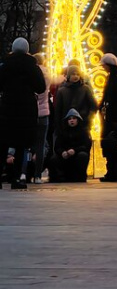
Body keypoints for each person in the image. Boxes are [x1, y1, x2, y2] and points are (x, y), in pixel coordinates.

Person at [0, 38, 46, 189]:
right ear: (27, 50)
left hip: (7, 108)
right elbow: (41, 87)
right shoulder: (32, 66)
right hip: (26, 110)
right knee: (21, 145)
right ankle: (17, 179)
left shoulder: (5, 65)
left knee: (3, 143)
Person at [49, 109, 92, 183]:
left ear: (78, 120)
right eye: (69, 119)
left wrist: (75, 150)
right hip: (65, 156)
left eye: (74, 118)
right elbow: (57, 146)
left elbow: (86, 146)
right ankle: (59, 177)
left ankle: (80, 177)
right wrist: (62, 152)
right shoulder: (63, 132)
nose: (72, 120)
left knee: (83, 155)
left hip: (77, 155)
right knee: (54, 159)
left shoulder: (83, 132)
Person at [29, 52, 51, 182]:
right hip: (44, 113)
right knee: (41, 144)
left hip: (31, 112)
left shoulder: (31, 74)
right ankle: (38, 175)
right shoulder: (47, 75)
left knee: (26, 144)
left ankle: (23, 173)